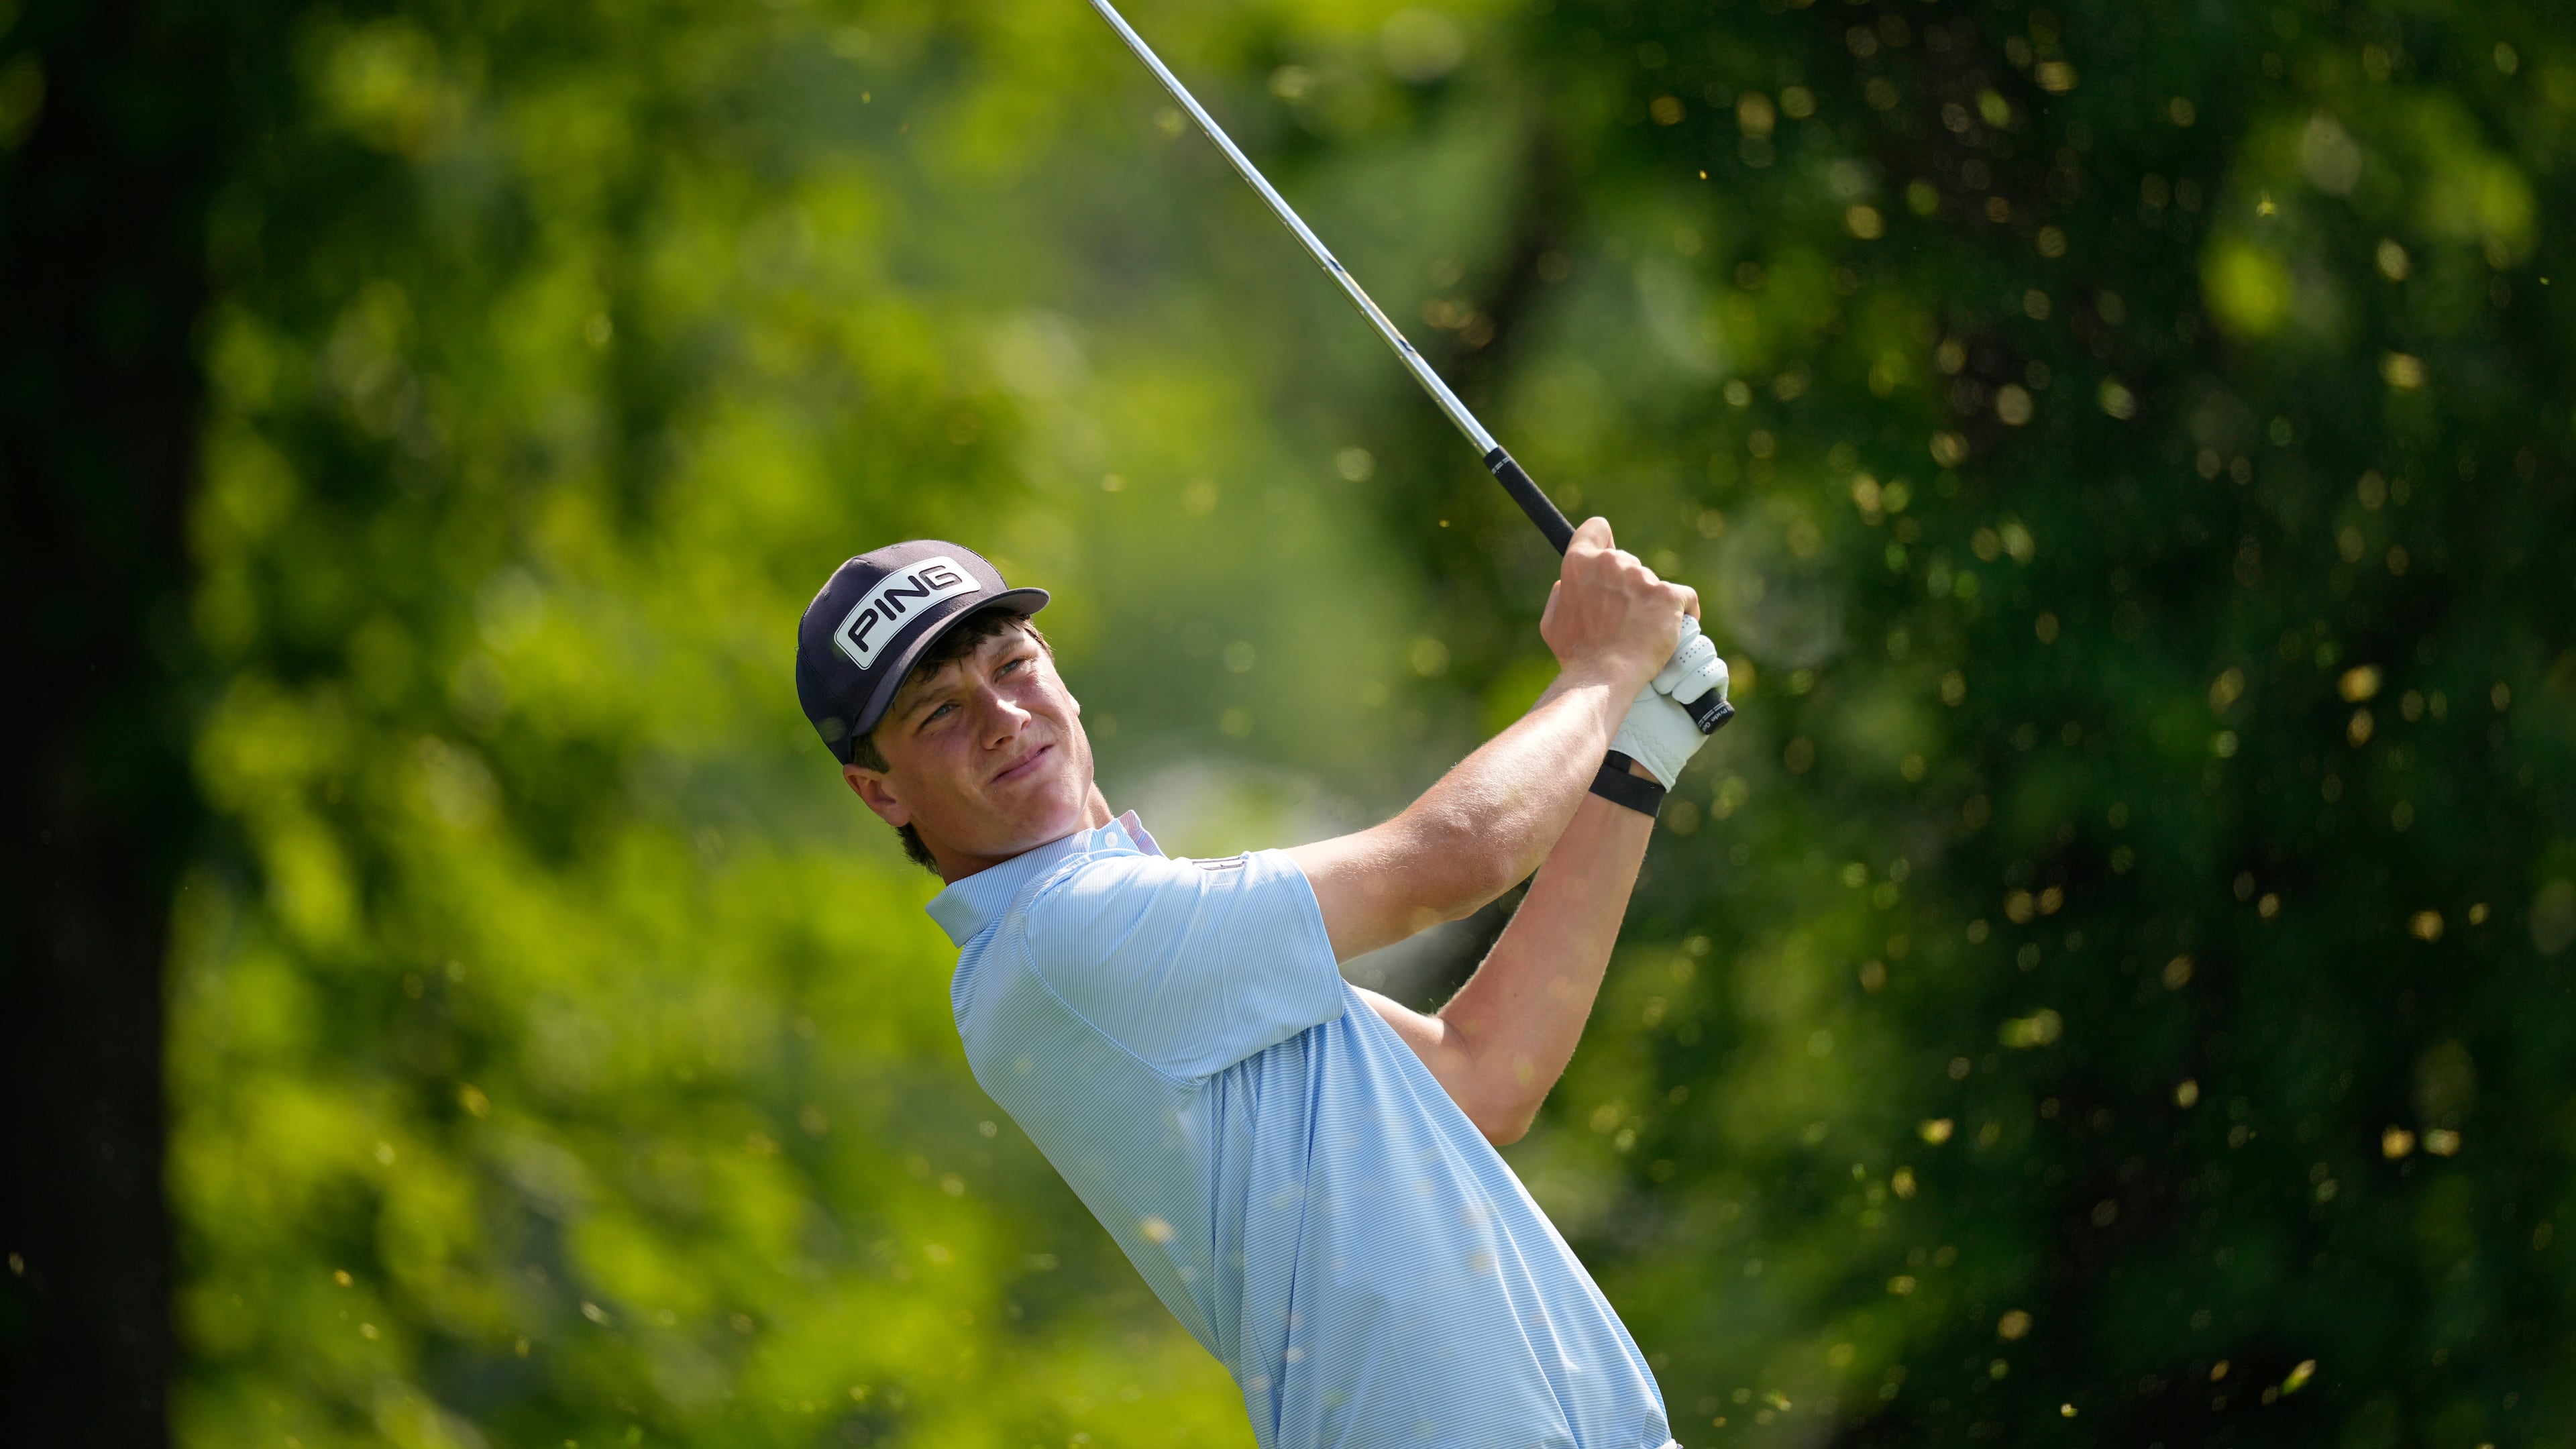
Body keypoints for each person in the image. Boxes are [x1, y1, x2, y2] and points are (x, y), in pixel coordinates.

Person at [794, 525, 1717, 1449]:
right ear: (881, 794)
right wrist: (1604, 667)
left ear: (1059, 675)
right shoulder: (1067, 934)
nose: (1000, 715)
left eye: (1011, 663)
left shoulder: (1134, 932)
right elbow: (1455, 858)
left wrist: (1640, 750)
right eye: (939, 713)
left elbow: (1486, 1076)